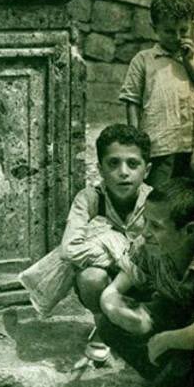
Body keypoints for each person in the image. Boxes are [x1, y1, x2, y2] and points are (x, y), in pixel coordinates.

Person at [62, 124, 152, 362]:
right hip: (106, 279)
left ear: (147, 169)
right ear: (100, 169)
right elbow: (70, 249)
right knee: (90, 277)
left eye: (133, 164)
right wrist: (119, 249)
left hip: (145, 280)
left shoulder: (155, 201)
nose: (123, 172)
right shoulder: (89, 198)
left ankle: (141, 323)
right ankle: (104, 328)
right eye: (113, 163)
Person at [98, 178, 194, 387]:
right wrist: (113, 304)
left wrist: (165, 340)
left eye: (156, 226)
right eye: (145, 221)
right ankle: (171, 379)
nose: (145, 232)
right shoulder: (148, 245)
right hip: (177, 312)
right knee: (107, 324)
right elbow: (117, 287)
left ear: (189, 231)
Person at [119, 0, 194, 187]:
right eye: (169, 31)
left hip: (193, 147)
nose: (177, 37)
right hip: (160, 145)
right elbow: (131, 100)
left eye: (183, 30)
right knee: (159, 194)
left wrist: (188, 62)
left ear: (192, 26)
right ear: (155, 28)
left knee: (188, 199)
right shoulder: (144, 60)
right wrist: (135, 142)